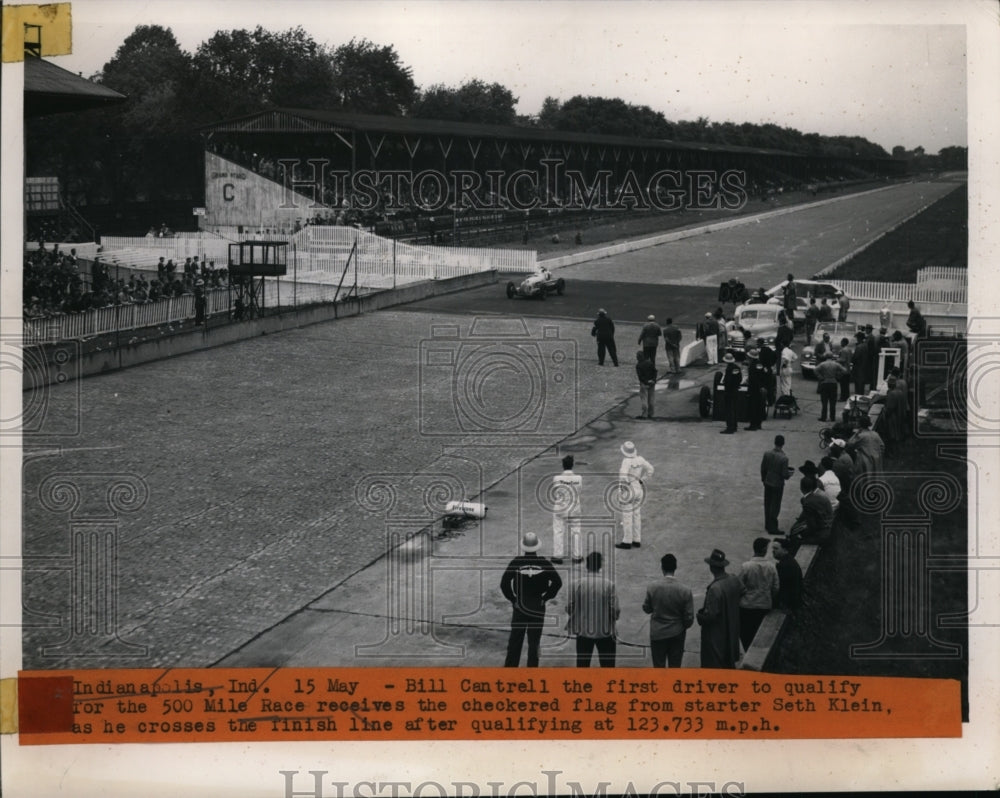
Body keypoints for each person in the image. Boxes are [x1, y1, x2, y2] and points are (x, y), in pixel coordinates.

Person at [500, 532, 562, 667]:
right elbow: (557, 582)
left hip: (520, 605)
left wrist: (513, 599)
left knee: (515, 641)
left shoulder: (516, 562)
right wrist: (545, 598)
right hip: (537, 606)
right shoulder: (544, 563)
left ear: (524, 547)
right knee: (534, 642)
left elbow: (504, 584)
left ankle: (510, 670)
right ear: (537, 547)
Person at [565, 552, 620, 667]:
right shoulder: (609, 585)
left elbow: (570, 608)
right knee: (608, 668)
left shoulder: (576, 584)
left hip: (583, 632)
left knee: (582, 666)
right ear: (600, 566)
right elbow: (615, 611)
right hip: (605, 632)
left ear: (587, 566)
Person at [643, 553, 694, 668]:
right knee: (675, 667)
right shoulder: (685, 590)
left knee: (658, 667)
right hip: (677, 633)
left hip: (658, 633)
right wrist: (682, 626)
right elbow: (689, 618)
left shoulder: (652, 587)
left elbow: (647, 608)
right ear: (675, 567)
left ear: (662, 567)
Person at [696, 549, 745, 669]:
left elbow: (710, 616)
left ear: (711, 567)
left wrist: (699, 616)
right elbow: (743, 591)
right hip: (732, 627)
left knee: (715, 664)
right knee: (728, 661)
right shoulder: (734, 579)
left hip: (717, 634)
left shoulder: (715, 588)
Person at [738, 538, 779, 650]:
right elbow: (775, 587)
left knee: (746, 634)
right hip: (764, 604)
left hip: (747, 605)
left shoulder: (746, 566)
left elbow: (739, 586)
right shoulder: (771, 566)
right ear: (764, 550)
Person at [617, 441, 654, 549]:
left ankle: (627, 541)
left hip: (629, 489)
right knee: (636, 515)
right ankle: (637, 539)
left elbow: (623, 476)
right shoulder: (640, 459)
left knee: (627, 516)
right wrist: (642, 480)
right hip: (638, 487)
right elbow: (651, 469)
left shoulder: (626, 461)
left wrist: (622, 490)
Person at [550, 454, 582, 564]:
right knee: (576, 531)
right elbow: (579, 491)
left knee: (558, 531)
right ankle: (577, 556)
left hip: (560, 507)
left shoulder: (557, 478)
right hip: (574, 508)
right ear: (572, 465)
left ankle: (558, 555)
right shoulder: (579, 478)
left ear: (563, 466)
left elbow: (555, 491)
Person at [760, 434, 793, 535]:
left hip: (768, 481)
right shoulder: (784, 458)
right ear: (783, 444)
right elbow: (784, 474)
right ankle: (773, 527)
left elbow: (763, 468)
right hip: (777, 484)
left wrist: (764, 479)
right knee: (775, 506)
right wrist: (789, 474)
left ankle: (767, 524)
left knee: (767, 503)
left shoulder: (767, 454)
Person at [788, 475, 834, 546]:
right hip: (829, 528)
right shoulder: (821, 497)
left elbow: (812, 526)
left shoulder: (808, 502)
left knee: (794, 536)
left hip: (821, 534)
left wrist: (801, 534)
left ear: (801, 488)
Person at [771, 538, 803, 612]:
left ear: (785, 550)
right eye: (773, 548)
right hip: (793, 600)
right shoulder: (790, 560)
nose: (773, 551)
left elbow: (780, 587)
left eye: (776, 548)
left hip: (787, 603)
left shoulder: (784, 565)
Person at [815, 352, 848, 422]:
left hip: (824, 382)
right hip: (833, 383)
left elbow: (815, 370)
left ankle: (823, 417)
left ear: (826, 357)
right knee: (833, 402)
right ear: (832, 357)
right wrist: (838, 376)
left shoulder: (823, 364)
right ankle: (832, 417)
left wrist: (820, 377)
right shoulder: (836, 364)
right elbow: (844, 371)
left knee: (824, 401)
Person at [881, 376, 907, 458]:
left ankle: (892, 453)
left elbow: (889, 408)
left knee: (891, 435)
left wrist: (885, 412)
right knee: (897, 435)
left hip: (892, 418)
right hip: (900, 415)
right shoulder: (900, 392)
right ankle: (897, 452)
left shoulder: (892, 394)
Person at [745, 348, 767, 431]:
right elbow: (762, 375)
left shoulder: (753, 365)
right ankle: (758, 424)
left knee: (753, 407)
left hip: (754, 389)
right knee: (759, 407)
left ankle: (753, 425)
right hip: (758, 388)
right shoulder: (759, 364)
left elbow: (754, 378)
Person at [720, 353, 742, 434]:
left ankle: (730, 427)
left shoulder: (729, 369)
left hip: (729, 391)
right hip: (735, 390)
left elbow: (728, 381)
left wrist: (725, 384)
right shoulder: (737, 368)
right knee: (734, 409)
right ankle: (735, 426)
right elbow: (740, 378)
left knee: (729, 410)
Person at [635, 351, 657, 420]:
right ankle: (651, 414)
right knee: (651, 399)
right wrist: (653, 380)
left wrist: (646, 382)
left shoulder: (638, 365)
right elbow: (655, 371)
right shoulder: (650, 363)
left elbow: (640, 377)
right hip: (652, 383)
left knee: (644, 399)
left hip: (644, 384)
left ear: (638, 357)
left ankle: (644, 414)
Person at [851, 330, 869, 396]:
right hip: (864, 367)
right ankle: (860, 395)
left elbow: (855, 358)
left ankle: (858, 397)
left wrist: (852, 358)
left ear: (859, 338)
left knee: (858, 385)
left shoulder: (859, 347)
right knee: (861, 385)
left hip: (858, 367)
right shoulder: (866, 346)